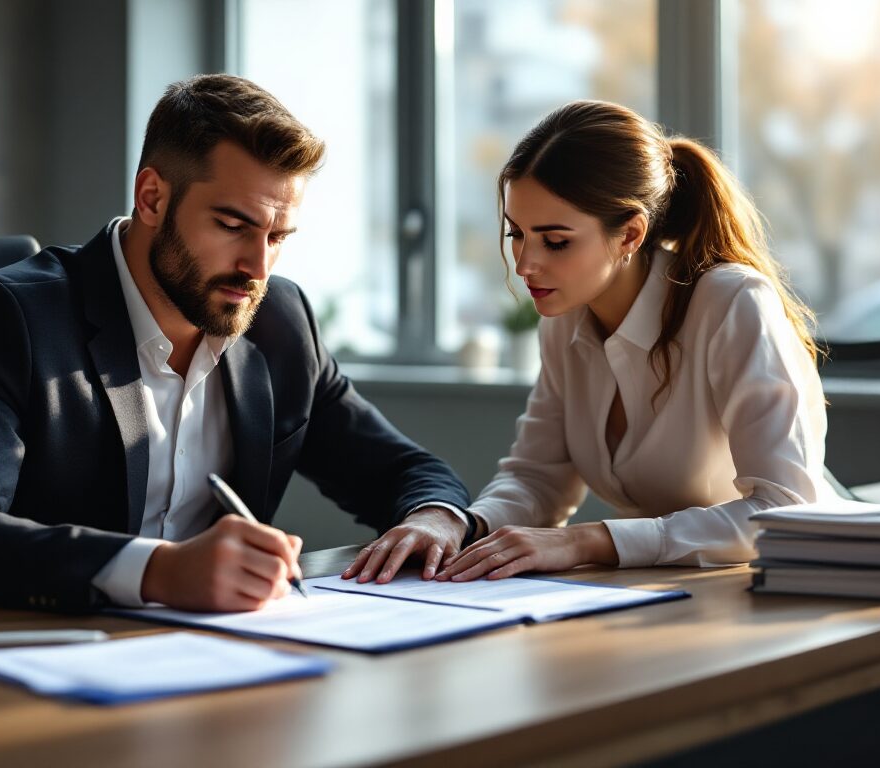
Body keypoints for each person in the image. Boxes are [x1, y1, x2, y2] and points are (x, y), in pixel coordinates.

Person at [0, 74, 471, 614]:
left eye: (278, 237)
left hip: (197, 653)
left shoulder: (281, 321)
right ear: (153, 198)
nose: (257, 268)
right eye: (232, 226)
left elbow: (405, 470)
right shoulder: (11, 317)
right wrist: (157, 570)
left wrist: (435, 520)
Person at [345, 99, 833, 584]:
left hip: (788, 589)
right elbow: (538, 477)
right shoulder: (565, 320)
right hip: (664, 590)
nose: (525, 264)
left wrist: (586, 541)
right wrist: (459, 523)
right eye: (517, 234)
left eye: (555, 241)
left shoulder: (732, 302)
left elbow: (784, 511)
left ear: (631, 234)